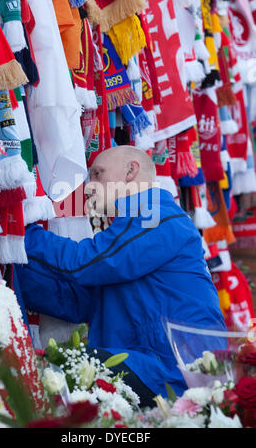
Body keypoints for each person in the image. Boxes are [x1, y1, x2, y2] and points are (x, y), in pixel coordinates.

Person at [14, 145, 226, 406]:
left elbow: (88, 262)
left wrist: (21, 232)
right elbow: (75, 300)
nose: (89, 186)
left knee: (54, 370)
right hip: (158, 368)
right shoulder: (134, 226)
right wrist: (10, 272)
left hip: (173, 372)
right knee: (52, 369)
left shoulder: (156, 214)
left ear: (130, 170)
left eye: (98, 174)